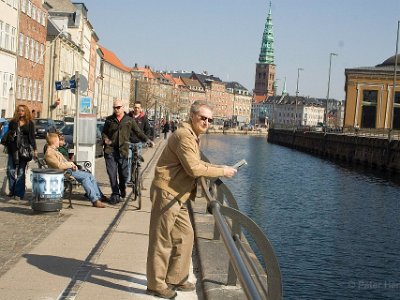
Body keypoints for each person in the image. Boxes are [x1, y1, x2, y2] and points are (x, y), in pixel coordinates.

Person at [146, 100, 237, 299]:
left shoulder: (193, 136)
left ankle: (176, 277)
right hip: (167, 192)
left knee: (186, 235)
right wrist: (222, 170)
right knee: (161, 240)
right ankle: (155, 284)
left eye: (209, 120)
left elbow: (196, 162)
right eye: (202, 118)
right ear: (192, 116)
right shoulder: (184, 136)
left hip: (179, 194)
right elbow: (194, 168)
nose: (206, 122)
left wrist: (217, 167)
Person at [102, 99, 154, 204]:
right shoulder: (109, 120)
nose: (116, 109)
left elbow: (138, 132)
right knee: (112, 174)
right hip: (110, 151)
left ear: (123, 107)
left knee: (124, 174)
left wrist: (147, 140)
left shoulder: (129, 120)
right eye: (114, 107)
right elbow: (103, 133)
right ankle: (115, 194)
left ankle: (122, 189)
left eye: (118, 107)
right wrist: (105, 139)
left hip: (123, 150)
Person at [44, 133, 107, 208]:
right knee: (85, 178)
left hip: (67, 170)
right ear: (54, 141)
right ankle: (95, 200)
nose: (59, 142)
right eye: (58, 140)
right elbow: (59, 166)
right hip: (62, 173)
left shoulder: (54, 150)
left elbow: (63, 163)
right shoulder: (50, 153)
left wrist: (72, 165)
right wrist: (71, 165)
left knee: (90, 176)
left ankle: (98, 197)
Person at [5, 105, 37, 200]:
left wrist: (35, 149)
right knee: (10, 170)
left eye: (23, 111)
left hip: (24, 149)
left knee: (21, 172)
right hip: (13, 149)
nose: (21, 112)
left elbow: (32, 137)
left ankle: (19, 193)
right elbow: (9, 135)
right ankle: (12, 189)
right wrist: (12, 134)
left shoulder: (30, 123)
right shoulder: (13, 122)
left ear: (26, 112)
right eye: (19, 111)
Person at [127, 101, 152, 181]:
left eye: (138, 107)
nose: (136, 109)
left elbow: (148, 130)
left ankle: (137, 178)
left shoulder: (144, 117)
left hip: (139, 143)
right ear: (133, 108)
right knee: (128, 159)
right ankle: (128, 180)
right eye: (135, 107)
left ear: (140, 108)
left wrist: (145, 140)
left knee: (138, 161)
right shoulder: (128, 116)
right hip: (129, 142)